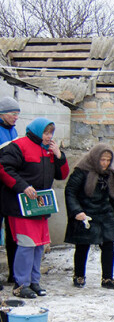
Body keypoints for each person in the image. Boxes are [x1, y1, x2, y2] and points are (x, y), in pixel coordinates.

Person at [0, 118, 69, 298]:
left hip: (40, 206)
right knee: (26, 244)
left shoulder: (49, 151)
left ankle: (34, 281)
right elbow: (4, 168)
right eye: (46, 133)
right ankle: (20, 283)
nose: (49, 137)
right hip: (20, 206)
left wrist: (59, 156)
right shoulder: (18, 146)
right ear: (37, 131)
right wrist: (22, 186)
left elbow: (62, 175)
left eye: (51, 133)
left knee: (38, 245)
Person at [64, 143, 114, 289]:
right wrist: (77, 211)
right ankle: (79, 275)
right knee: (83, 246)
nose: (105, 163)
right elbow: (70, 191)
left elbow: (113, 195)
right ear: (95, 158)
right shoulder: (82, 171)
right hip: (86, 212)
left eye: (108, 160)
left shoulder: (109, 174)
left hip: (104, 213)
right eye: (102, 160)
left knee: (108, 245)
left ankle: (107, 278)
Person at [0, 97, 20, 289]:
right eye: (13, 114)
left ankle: (14, 273)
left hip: (9, 187)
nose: (16, 117)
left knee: (12, 232)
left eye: (17, 114)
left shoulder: (12, 130)